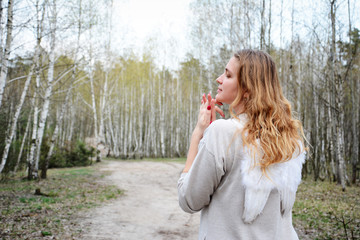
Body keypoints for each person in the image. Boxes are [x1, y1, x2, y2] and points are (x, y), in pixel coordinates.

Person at [177, 49, 306, 240]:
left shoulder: (222, 133)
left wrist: (199, 134)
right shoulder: (290, 139)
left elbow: (189, 200)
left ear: (247, 89)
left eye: (228, 75)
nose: (219, 79)